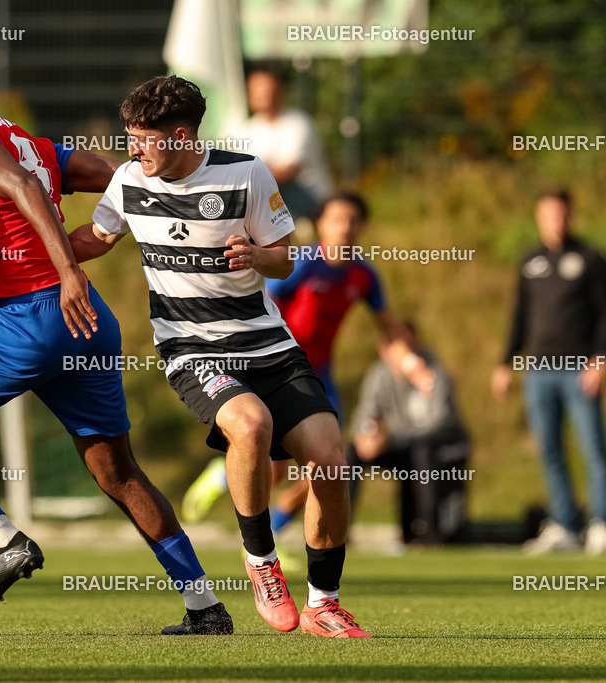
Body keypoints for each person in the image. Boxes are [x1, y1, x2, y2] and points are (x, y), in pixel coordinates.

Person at [0, 40, 232, 634]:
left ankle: (2, 541)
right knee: (118, 473)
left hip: (29, 318)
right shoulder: (13, 131)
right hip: (87, 325)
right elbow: (94, 172)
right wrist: (171, 184)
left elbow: (20, 186)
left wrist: (69, 271)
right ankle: (205, 607)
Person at [70, 75, 370, 637]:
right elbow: (98, 237)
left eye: (142, 138)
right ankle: (262, 564)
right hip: (191, 347)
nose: (132, 149)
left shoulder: (245, 172)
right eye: (129, 136)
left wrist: (258, 254)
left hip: (268, 343)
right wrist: (29, 250)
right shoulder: (130, 180)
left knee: (330, 461)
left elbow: (283, 259)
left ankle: (324, 604)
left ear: (181, 136)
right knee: (250, 426)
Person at [182, 194, 422, 537]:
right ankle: (223, 476)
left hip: (320, 376)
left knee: (329, 468)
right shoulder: (302, 263)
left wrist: (414, 366)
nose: (346, 228)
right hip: (279, 370)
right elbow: (259, 308)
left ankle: (273, 534)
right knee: (276, 469)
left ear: (363, 226)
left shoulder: (364, 275)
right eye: (338, 219)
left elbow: (389, 332)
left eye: (354, 220)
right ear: (321, 224)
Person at [491, 189, 606, 556]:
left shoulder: (590, 259)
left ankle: (600, 523)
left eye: (562, 214)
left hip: (578, 369)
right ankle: (565, 525)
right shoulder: (531, 262)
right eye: (550, 215)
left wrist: (599, 360)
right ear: (539, 217)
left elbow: (604, 314)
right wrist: (506, 362)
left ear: (571, 216)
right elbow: (519, 317)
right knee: (550, 449)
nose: (557, 221)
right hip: (538, 369)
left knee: (592, 447)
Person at [347, 325, 469, 544]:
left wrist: (394, 438)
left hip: (434, 446)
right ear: (385, 350)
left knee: (421, 449)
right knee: (352, 453)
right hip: (399, 445)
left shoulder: (433, 374)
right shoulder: (379, 375)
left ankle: (428, 533)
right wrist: (368, 435)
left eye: (411, 346)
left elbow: (439, 421)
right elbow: (366, 413)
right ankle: (341, 530)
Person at [229, 64, 333, 222]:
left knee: (265, 183)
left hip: (311, 201)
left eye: (267, 89)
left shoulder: (298, 123)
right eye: (255, 89)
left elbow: (287, 173)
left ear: (281, 91)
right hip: (271, 196)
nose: (261, 94)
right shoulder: (245, 129)